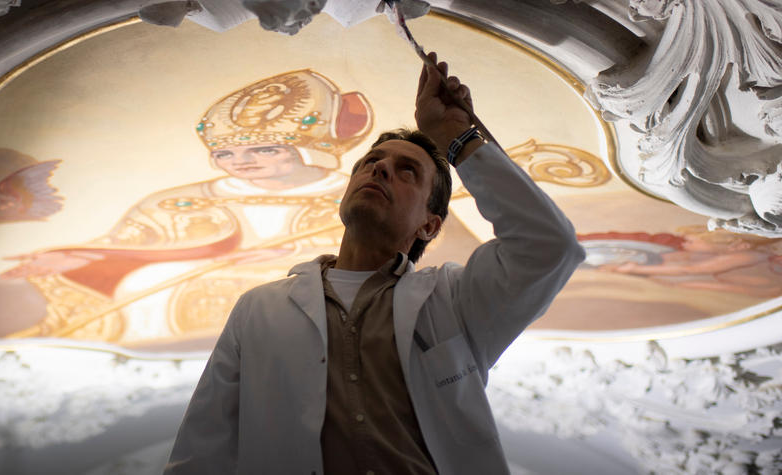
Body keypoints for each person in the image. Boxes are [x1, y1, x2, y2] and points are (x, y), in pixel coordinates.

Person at [165, 54, 585, 474]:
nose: (380, 167)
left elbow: (549, 246)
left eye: (407, 172)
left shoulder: (455, 301)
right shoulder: (259, 309)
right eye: (371, 162)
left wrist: (454, 136)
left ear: (429, 224)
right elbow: (202, 450)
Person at [0, 69, 373, 343]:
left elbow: (376, 250)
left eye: (265, 149)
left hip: (302, 285)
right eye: (225, 153)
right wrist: (81, 257)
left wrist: (295, 253)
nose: (242, 162)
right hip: (188, 285)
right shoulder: (176, 201)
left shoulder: (353, 198)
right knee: (144, 282)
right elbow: (134, 244)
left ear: (308, 152)